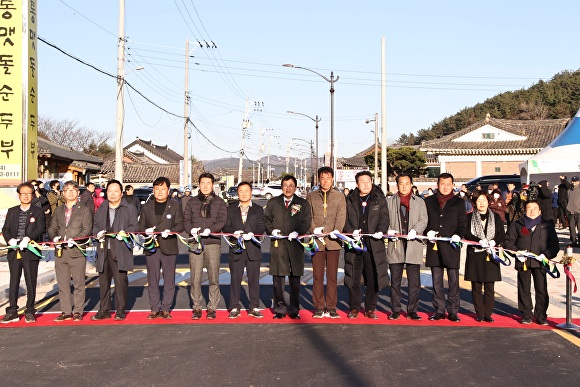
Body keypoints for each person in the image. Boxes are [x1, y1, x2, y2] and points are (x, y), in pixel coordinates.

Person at [264, 175, 312, 319]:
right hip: (278, 245)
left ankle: (293, 309)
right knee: (278, 278)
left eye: (291, 185)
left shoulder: (303, 203)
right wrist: (272, 230)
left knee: (294, 279)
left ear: (295, 187)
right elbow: (266, 220)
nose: (288, 188)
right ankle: (279, 309)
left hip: (295, 245)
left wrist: (299, 232)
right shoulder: (273, 203)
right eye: (285, 185)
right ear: (281, 186)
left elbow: (306, 221)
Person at [343, 171, 389, 319]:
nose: (366, 184)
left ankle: (370, 308)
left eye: (368, 181)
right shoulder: (350, 199)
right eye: (362, 181)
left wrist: (381, 231)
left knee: (372, 277)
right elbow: (345, 220)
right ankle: (355, 307)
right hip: (355, 244)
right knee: (354, 277)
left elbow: (384, 218)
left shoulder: (379, 199)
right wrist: (350, 231)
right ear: (357, 184)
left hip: (372, 244)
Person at [504, 200, 559, 325]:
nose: (532, 211)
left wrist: (546, 255)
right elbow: (507, 242)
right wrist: (517, 252)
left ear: (540, 211)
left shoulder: (547, 225)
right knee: (524, 288)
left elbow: (554, 245)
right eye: (529, 208)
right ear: (525, 210)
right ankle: (526, 314)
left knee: (541, 289)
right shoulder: (517, 224)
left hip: (540, 263)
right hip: (523, 262)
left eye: (535, 208)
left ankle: (541, 315)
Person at [92, 179, 139, 321]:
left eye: (115, 191)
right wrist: (97, 234)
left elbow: (135, 227)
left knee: (120, 281)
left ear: (121, 193)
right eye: (110, 191)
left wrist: (126, 232)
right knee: (104, 282)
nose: (112, 194)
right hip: (103, 249)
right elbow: (95, 226)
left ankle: (120, 309)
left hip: (120, 249)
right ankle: (104, 309)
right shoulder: (101, 208)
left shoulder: (129, 208)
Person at [138, 177, 184, 319]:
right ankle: (154, 308)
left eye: (162, 189)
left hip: (169, 246)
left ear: (168, 190)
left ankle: (166, 308)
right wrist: (146, 231)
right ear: (153, 190)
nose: (159, 192)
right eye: (157, 189)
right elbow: (140, 227)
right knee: (153, 279)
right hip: (151, 246)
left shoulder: (175, 205)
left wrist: (170, 232)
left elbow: (180, 225)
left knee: (169, 279)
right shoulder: (146, 206)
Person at [48, 180, 93, 322]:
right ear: (63, 193)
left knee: (79, 283)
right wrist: (55, 238)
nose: (70, 192)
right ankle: (66, 311)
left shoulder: (84, 210)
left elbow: (87, 229)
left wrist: (77, 239)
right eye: (67, 189)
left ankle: (78, 311)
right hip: (61, 252)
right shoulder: (58, 210)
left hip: (77, 250)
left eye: (73, 189)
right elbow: (52, 228)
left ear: (78, 192)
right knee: (63, 283)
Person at [424, 172, 467, 322]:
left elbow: (463, 224)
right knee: (436, 280)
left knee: (453, 280)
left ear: (453, 186)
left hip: (452, 246)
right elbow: (425, 221)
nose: (445, 187)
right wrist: (427, 231)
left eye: (448, 184)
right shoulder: (428, 201)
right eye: (442, 184)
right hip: (434, 246)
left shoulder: (459, 202)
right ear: (437, 185)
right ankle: (439, 309)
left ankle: (453, 310)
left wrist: (458, 235)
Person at [1, 182, 46, 323]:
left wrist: (28, 238)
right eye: (23, 193)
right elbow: (5, 228)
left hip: (30, 250)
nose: (26, 196)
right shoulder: (12, 211)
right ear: (19, 195)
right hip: (14, 251)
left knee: (30, 281)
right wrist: (10, 240)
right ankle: (12, 310)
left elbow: (40, 228)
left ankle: (30, 310)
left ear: (32, 195)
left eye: (29, 193)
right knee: (13, 281)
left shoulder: (38, 211)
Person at [184, 172, 227, 320]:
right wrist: (191, 230)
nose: (206, 186)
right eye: (203, 183)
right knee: (195, 277)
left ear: (213, 185)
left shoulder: (219, 202)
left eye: (208, 183)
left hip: (213, 242)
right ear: (199, 185)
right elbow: (186, 220)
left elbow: (222, 220)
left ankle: (212, 307)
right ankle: (197, 307)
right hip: (195, 242)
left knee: (213, 277)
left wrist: (212, 230)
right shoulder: (192, 202)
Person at [386, 174, 427, 321]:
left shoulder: (419, 202)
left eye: (407, 183)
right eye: (401, 183)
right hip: (396, 244)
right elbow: (384, 219)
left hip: (413, 244)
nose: (404, 186)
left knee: (414, 281)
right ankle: (395, 309)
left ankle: (412, 310)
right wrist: (389, 229)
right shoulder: (389, 201)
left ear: (411, 185)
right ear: (397, 185)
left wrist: (415, 230)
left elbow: (424, 219)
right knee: (395, 281)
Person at [306, 167, 346, 318]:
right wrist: (313, 229)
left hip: (333, 241)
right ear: (318, 179)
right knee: (317, 275)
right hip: (316, 241)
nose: (325, 181)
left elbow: (341, 215)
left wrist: (337, 230)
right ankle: (318, 306)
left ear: (333, 179)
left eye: (328, 178)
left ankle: (331, 306)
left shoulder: (339, 196)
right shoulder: (311, 196)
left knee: (332, 276)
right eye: (322, 178)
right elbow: (307, 216)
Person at [222, 181, 265, 318]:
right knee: (235, 279)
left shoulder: (258, 209)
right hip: (236, 248)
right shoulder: (231, 209)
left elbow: (261, 227)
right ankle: (234, 306)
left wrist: (252, 233)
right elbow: (226, 227)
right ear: (237, 193)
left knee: (254, 279)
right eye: (241, 191)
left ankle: (254, 306)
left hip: (253, 249)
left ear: (251, 192)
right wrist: (234, 232)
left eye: (247, 191)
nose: (244, 193)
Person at [464, 190, 506, 322]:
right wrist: (478, 240)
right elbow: (466, 233)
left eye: (484, 200)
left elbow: (501, 234)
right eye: (479, 201)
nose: (481, 203)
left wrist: (494, 241)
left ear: (488, 202)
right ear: (474, 203)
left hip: (490, 254)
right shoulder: (469, 217)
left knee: (489, 286)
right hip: (475, 254)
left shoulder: (496, 217)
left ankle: (488, 313)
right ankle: (479, 313)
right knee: (476, 286)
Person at [567, 176, 580, 247]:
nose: (574, 182)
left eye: (575, 181)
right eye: (572, 181)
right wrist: (567, 208)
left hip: (579, 213)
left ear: (578, 182)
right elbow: (566, 200)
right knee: (572, 228)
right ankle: (574, 241)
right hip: (571, 213)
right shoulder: (569, 191)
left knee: (579, 228)